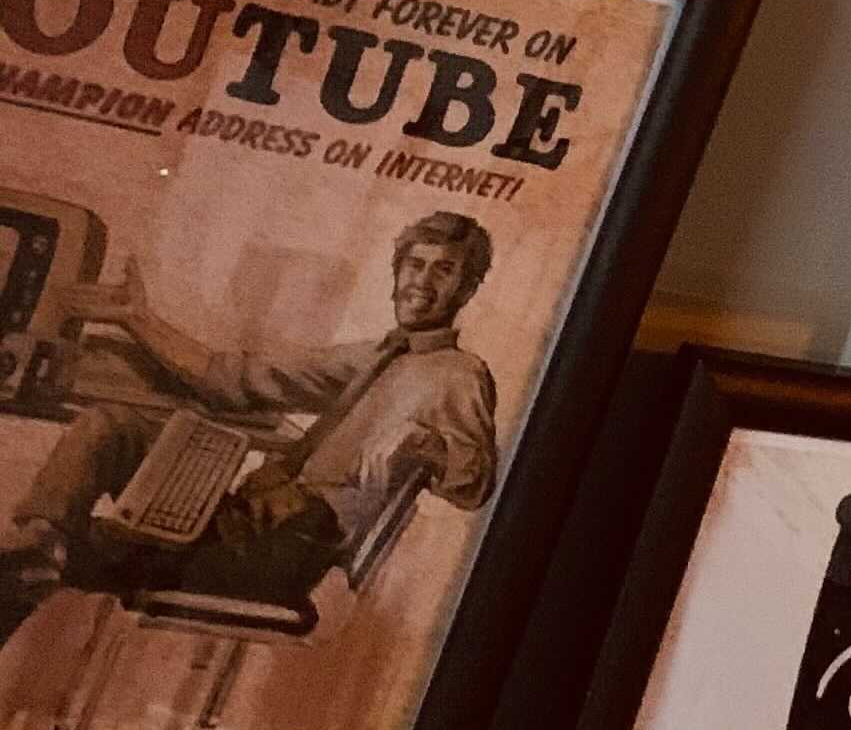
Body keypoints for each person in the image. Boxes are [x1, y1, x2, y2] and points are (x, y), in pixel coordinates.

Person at [0, 209, 500, 628]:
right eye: (415, 264)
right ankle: (42, 535)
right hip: (248, 520)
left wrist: (429, 448)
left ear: (467, 287)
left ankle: (42, 551)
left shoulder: (459, 375)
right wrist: (138, 319)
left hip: (283, 552)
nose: (422, 282)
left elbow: (473, 484)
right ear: (397, 271)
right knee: (111, 425)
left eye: (444, 270)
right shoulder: (375, 356)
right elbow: (236, 378)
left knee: (33, 563)